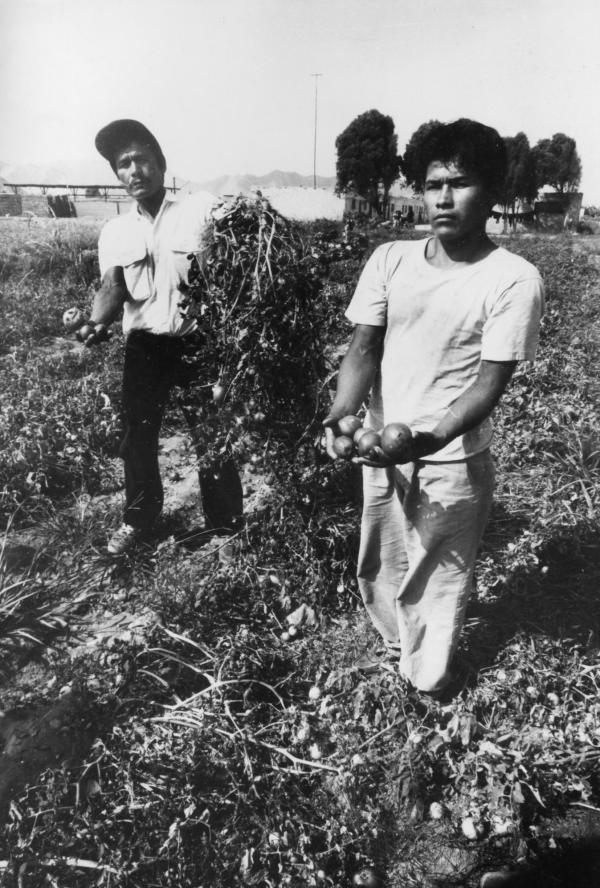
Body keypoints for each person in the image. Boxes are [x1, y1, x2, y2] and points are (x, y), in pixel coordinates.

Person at [323, 119, 544, 695]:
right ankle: (396, 649)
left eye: (460, 183)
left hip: (452, 457)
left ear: (492, 193)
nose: (443, 198)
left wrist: (433, 437)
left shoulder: (513, 280)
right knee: (382, 561)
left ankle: (428, 684)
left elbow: (488, 384)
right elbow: (363, 349)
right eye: (432, 184)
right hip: (380, 446)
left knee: (437, 578)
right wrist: (342, 415)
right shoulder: (390, 259)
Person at [82, 118, 236, 555]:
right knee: (138, 438)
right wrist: (97, 322)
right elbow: (112, 288)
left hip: (197, 342)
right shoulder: (116, 231)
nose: (134, 171)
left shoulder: (199, 211)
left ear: (161, 163)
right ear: (117, 174)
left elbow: (232, 266)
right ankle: (138, 519)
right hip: (144, 347)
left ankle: (227, 525)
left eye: (141, 159)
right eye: (123, 164)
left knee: (211, 434)